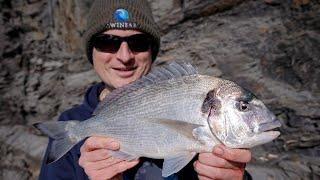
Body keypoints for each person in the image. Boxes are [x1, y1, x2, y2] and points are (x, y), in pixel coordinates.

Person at [39, 0, 252, 179]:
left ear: (152, 50)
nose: (124, 56)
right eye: (107, 42)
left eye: (138, 42)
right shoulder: (70, 124)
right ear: (91, 51)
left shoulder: (216, 132)